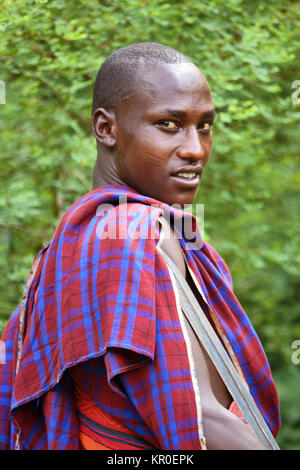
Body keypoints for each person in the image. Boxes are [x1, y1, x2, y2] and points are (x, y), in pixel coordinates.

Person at [0, 42, 280, 450]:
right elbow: (198, 418)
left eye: (204, 125)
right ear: (106, 128)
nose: (195, 149)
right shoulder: (132, 232)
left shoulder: (77, 240)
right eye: (169, 124)